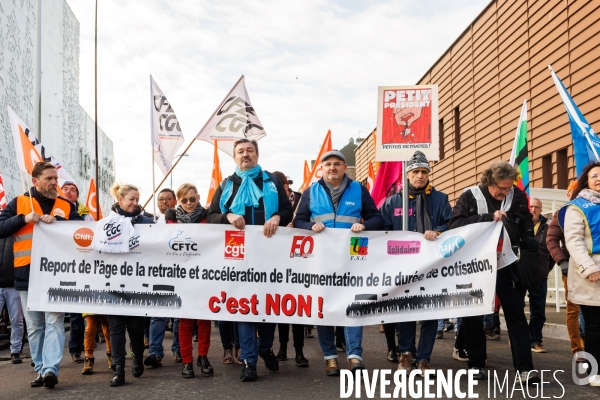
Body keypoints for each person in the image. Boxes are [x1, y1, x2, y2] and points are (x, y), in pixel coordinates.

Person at [207, 138, 293, 382]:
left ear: (257, 154)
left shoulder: (272, 181)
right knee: (244, 308)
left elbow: (287, 210)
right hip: (237, 257)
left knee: (268, 305)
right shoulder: (226, 184)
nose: (245, 155)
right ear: (234, 157)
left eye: (250, 151)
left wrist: (278, 216)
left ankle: (265, 347)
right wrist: (229, 216)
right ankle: (249, 360)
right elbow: (210, 216)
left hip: (269, 254)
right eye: (241, 151)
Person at [294, 150, 384, 376]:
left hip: (353, 259)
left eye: (337, 164)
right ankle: (330, 358)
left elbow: (377, 218)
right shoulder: (310, 192)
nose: (332, 168)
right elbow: (299, 221)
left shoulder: (359, 190)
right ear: (321, 169)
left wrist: (364, 226)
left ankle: (354, 356)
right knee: (325, 309)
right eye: (328, 165)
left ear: (345, 168)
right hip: (321, 261)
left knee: (352, 307)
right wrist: (309, 227)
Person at [450, 160, 540, 384]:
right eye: (501, 188)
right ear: (489, 182)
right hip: (475, 265)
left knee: (515, 314)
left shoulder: (517, 195)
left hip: (507, 263)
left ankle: (525, 369)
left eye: (509, 187)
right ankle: (476, 364)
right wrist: (489, 217)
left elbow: (526, 222)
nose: (505, 192)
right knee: (474, 314)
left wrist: (529, 244)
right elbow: (455, 225)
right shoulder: (470, 196)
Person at [0, 162, 82, 389]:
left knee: (54, 322)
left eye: (56, 178)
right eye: (49, 178)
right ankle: (40, 368)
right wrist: (23, 219)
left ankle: (50, 370)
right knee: (35, 326)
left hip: (57, 275)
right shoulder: (19, 203)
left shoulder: (66, 205)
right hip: (26, 275)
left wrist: (60, 223)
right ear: (35, 181)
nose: (55, 182)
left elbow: (82, 232)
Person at [380, 151, 452, 375]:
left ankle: (424, 358)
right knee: (406, 311)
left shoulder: (441, 200)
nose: (420, 176)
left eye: (424, 171)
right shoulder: (393, 202)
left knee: (430, 312)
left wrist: (439, 231)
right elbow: (381, 231)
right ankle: (405, 354)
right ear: (407, 174)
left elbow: (452, 224)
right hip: (403, 267)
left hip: (433, 267)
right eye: (415, 172)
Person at [107, 183, 154, 386]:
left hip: (137, 284)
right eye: (131, 199)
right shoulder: (107, 222)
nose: (135, 203)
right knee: (116, 328)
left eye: (137, 199)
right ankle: (119, 369)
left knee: (135, 328)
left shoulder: (146, 222)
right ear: (120, 200)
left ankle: (137, 357)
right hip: (114, 284)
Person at [559, 162, 600, 387]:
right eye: (595, 176)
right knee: (593, 327)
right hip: (591, 276)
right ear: (586, 179)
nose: (599, 179)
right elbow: (573, 241)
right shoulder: (577, 207)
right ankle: (593, 372)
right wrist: (589, 268)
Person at [171, 183, 213, 379]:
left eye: (192, 199)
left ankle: (203, 356)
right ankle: (187, 360)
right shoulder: (171, 220)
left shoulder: (208, 218)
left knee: (204, 319)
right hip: (181, 277)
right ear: (179, 201)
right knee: (185, 321)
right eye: (184, 200)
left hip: (204, 276)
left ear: (198, 197)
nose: (189, 203)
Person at [271, 171, 309, 367]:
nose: (281, 189)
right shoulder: (271, 203)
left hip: (300, 259)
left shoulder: (302, 199)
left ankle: (300, 352)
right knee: (282, 308)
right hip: (278, 260)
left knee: (299, 308)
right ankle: (283, 348)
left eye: (283, 185)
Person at [547, 181, 585, 361]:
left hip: (595, 268)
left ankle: (590, 344)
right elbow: (552, 239)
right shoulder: (561, 213)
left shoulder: (592, 210)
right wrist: (562, 262)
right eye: (574, 192)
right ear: (568, 195)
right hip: (572, 269)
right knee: (574, 309)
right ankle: (578, 350)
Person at [61, 181, 91, 365]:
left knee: (77, 315)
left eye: (73, 190)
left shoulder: (86, 216)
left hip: (79, 269)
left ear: (77, 196)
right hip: (59, 267)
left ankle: (76, 350)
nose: (68, 192)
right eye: (65, 189)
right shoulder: (53, 210)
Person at [528, 197, 552, 353]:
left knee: (538, 310)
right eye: (531, 206)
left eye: (536, 207)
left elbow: (553, 249)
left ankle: (535, 340)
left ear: (541, 210)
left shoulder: (547, 228)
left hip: (540, 275)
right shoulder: (520, 225)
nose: (533, 209)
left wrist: (546, 268)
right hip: (521, 273)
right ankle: (520, 336)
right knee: (516, 308)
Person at [0, 235, 24, 364]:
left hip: (13, 286)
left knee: (17, 320)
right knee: (17, 320)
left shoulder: (18, 234)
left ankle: (15, 350)